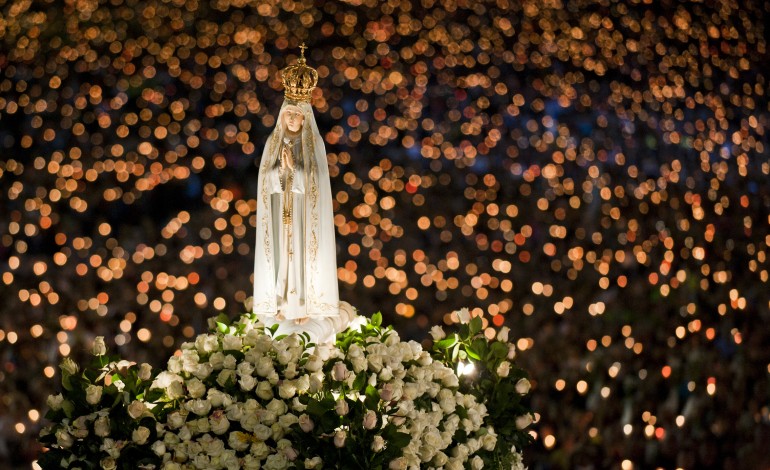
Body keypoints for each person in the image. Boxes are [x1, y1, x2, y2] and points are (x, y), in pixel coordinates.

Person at [252, 45, 350, 343]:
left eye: (297, 116)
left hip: (304, 218)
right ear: (283, 118)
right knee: (282, 258)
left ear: (305, 118)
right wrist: (281, 173)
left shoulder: (312, 147)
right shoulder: (274, 145)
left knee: (302, 258)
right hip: (282, 213)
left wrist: (295, 171)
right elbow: (266, 178)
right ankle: (281, 303)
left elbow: (316, 181)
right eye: (289, 116)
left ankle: (304, 304)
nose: (292, 121)